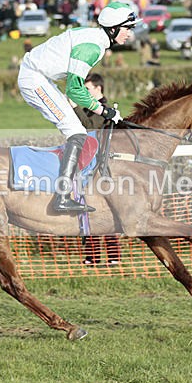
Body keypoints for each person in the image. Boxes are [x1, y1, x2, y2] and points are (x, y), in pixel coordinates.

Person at [17, 0, 134, 214]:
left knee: (76, 131)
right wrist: (104, 110)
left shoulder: (95, 38)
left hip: (40, 77)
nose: (129, 34)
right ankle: (61, 197)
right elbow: (74, 90)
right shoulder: (93, 47)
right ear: (114, 28)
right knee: (76, 132)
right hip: (34, 79)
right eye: (127, 28)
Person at [73, 73, 122, 265]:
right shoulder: (95, 109)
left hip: (101, 168)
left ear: (98, 89)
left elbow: (87, 126)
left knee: (105, 212)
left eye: (87, 89)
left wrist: (74, 107)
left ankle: (112, 257)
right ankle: (93, 257)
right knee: (91, 211)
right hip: (91, 167)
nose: (85, 93)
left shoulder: (104, 110)